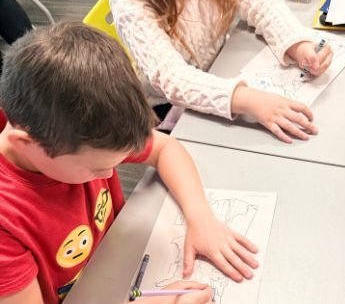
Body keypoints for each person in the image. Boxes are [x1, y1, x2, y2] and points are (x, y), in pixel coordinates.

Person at [0, 23, 259, 304]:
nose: (110, 174)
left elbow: (164, 148)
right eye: (96, 169)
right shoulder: (6, 225)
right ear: (25, 143)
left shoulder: (69, 133)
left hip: (114, 266)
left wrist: (201, 218)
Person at [110, 0, 333, 143]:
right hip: (170, 109)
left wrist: (297, 43)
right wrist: (246, 98)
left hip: (222, 70)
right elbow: (173, 79)